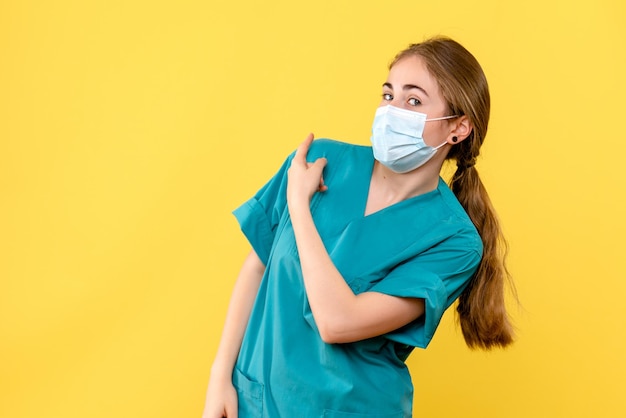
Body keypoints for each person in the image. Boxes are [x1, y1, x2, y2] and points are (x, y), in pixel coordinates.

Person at [203, 36, 515, 418]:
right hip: (257, 400)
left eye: (413, 101)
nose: (392, 111)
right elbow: (257, 265)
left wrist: (298, 207)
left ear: (458, 128)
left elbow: (337, 322)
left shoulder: (455, 241)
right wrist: (220, 377)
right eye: (388, 95)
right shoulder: (321, 161)